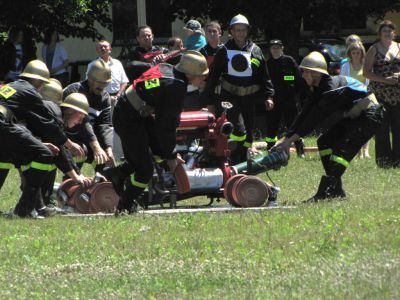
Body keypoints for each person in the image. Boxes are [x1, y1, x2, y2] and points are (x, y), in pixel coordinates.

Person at [103, 50, 209, 214]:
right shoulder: (176, 87)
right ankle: (125, 206)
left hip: (132, 112)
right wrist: (172, 156)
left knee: (153, 154)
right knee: (144, 171)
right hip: (129, 118)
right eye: (201, 75)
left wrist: (167, 152)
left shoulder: (168, 69)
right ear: (189, 73)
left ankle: (117, 174)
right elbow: (166, 126)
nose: (204, 78)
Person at [271, 51, 384, 203]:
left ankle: (327, 191)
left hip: (369, 115)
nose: (302, 75)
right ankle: (335, 189)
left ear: (314, 73)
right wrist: (286, 138)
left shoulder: (331, 90)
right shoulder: (319, 88)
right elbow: (304, 114)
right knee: (324, 142)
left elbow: (314, 119)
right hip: (355, 116)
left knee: (341, 151)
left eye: (304, 71)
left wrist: (290, 141)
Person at [0, 60, 89, 217]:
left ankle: (36, 206)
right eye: (41, 84)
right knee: (45, 154)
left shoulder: (12, 86)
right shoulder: (30, 91)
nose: (41, 88)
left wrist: (40, 142)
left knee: (7, 156)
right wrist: (68, 143)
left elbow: (23, 127)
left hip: (4, 126)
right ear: (37, 81)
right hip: (3, 124)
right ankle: (25, 209)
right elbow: (47, 124)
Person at [201, 14, 274, 164]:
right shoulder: (224, 51)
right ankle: (233, 160)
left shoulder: (256, 50)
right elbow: (213, 75)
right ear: (232, 32)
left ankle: (243, 161)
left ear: (247, 31)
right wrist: (209, 100)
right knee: (237, 130)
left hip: (249, 99)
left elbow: (264, 77)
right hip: (229, 98)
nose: (240, 33)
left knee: (248, 134)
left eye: (243, 30)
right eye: (237, 30)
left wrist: (269, 96)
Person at [39, 81, 92, 212]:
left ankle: (42, 201)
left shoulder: (58, 116)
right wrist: (76, 177)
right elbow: (60, 151)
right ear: (70, 111)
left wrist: (78, 174)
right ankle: (35, 205)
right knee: (45, 156)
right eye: (80, 118)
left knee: (50, 155)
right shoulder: (55, 115)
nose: (80, 122)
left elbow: (62, 150)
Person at [64, 59, 115, 173]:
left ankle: (102, 185)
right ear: (90, 78)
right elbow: (83, 121)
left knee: (104, 159)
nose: (102, 86)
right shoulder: (75, 90)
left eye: (105, 82)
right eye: (99, 82)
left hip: (88, 138)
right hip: (68, 138)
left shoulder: (105, 98)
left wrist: (108, 148)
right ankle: (71, 183)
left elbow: (105, 125)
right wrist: (96, 147)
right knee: (82, 150)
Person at [364, 20, 400, 168]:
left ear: (394, 33)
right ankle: (384, 162)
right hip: (380, 94)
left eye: (390, 31)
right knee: (382, 129)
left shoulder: (399, 47)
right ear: (380, 34)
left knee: (398, 129)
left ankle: (398, 161)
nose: (387, 33)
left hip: (398, 94)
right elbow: (366, 73)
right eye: (384, 31)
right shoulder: (373, 49)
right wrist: (385, 80)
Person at [87, 40, 129, 161]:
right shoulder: (92, 65)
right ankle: (106, 153)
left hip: (117, 99)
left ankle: (120, 154)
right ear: (97, 50)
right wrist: (106, 96)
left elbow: (124, 81)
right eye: (100, 47)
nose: (103, 49)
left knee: (119, 126)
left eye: (105, 47)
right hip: (101, 100)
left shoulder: (117, 63)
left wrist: (118, 95)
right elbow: (89, 84)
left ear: (110, 49)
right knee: (105, 127)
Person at [264, 39, 305, 157]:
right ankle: (270, 149)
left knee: (293, 125)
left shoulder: (289, 61)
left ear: (282, 48)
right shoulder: (268, 64)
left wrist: (288, 84)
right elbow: (266, 82)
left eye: (278, 47)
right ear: (270, 50)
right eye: (273, 48)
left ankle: (299, 149)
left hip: (289, 99)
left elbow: (297, 78)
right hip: (274, 100)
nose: (275, 50)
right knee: (272, 126)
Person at [340, 41, 371, 158]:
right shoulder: (345, 66)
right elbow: (342, 82)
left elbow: (370, 82)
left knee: (366, 125)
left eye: (358, 53)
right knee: (354, 125)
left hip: (365, 98)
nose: (356, 55)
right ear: (350, 54)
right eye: (354, 53)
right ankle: (357, 151)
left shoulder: (366, 65)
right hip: (351, 98)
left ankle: (366, 150)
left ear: (362, 53)